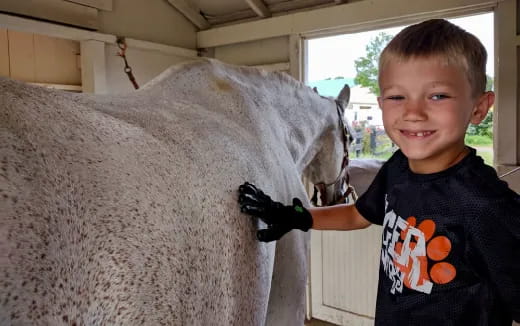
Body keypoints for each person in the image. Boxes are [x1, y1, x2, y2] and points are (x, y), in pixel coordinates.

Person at [238, 19, 520, 325]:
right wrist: (295, 216)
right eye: (398, 97)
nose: (413, 113)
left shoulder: (487, 206)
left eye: (437, 95)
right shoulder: (399, 167)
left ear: (479, 108)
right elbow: (357, 215)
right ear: (381, 103)